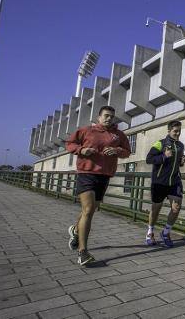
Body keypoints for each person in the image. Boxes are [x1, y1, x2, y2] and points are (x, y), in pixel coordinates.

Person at [65, 105, 131, 265]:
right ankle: (83, 252)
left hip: (105, 175)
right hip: (86, 173)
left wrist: (117, 151)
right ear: (99, 117)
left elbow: (127, 151)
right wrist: (82, 150)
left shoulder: (119, 135)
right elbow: (69, 144)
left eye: (112, 116)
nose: (109, 119)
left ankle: (75, 229)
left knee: (92, 209)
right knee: (88, 210)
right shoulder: (87, 131)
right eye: (106, 116)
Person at [145, 120, 185, 247]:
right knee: (156, 209)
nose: (177, 133)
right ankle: (150, 232)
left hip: (174, 182)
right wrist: (163, 156)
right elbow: (149, 159)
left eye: (179, 131)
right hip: (159, 182)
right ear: (168, 131)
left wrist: (181, 162)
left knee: (176, 208)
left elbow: (177, 162)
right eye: (175, 131)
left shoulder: (180, 146)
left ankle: (166, 232)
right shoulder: (160, 143)